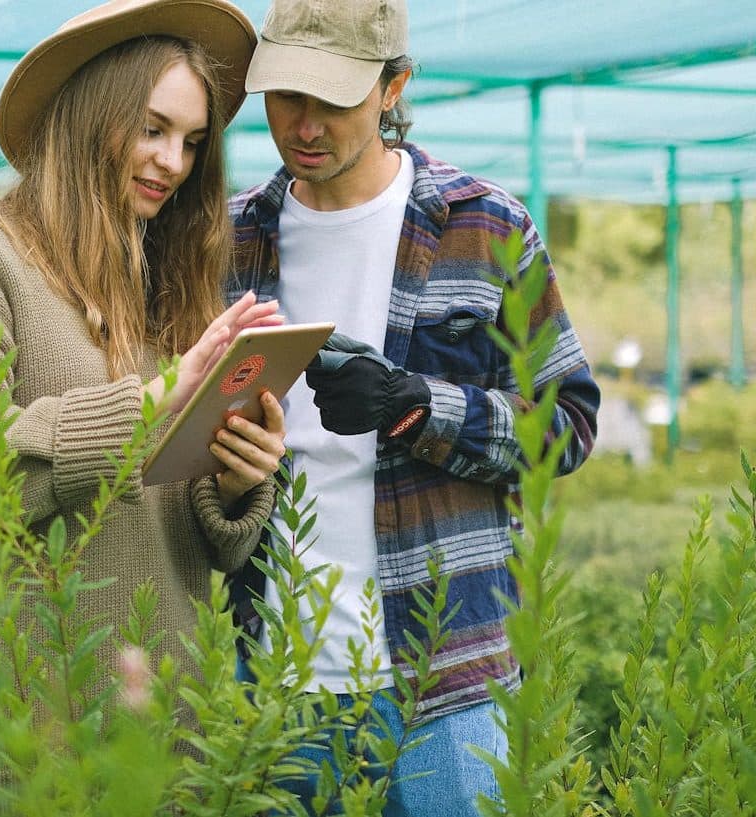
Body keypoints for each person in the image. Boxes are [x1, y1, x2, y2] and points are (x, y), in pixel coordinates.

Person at [0, 0, 284, 776]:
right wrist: (151, 401)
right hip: (20, 723)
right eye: (152, 128)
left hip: (166, 719)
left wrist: (234, 482)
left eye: (193, 142)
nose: (173, 161)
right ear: (89, 115)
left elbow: (179, 522)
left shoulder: (162, 280)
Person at [226, 0, 601, 813]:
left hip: (445, 683)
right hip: (271, 678)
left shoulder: (484, 226)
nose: (304, 123)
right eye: (286, 95)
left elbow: (566, 423)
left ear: (393, 86)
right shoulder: (227, 239)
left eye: (334, 98)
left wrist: (414, 405)